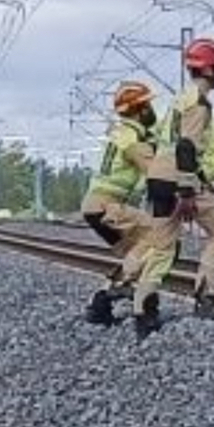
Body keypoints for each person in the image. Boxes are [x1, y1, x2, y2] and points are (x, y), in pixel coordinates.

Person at [131, 36, 214, 339]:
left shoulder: (180, 99)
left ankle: (143, 313)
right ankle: (208, 299)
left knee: (162, 247)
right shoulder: (199, 104)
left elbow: (176, 145)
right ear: (209, 69)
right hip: (178, 179)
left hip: (158, 178)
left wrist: (202, 179)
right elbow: (186, 147)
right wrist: (188, 192)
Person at [81, 80, 159, 326]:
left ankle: (104, 306)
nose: (151, 110)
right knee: (159, 239)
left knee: (139, 251)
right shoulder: (132, 139)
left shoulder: (124, 133)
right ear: (139, 108)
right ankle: (116, 292)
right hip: (107, 206)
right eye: (147, 105)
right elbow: (156, 172)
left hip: (96, 206)